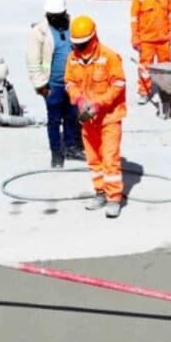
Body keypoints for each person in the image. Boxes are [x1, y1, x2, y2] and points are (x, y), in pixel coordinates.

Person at [65, 16, 127, 219]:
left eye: (83, 44)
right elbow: (70, 83)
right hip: (87, 119)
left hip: (109, 118)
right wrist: (79, 99)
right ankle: (100, 192)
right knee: (94, 159)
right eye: (77, 44)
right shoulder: (73, 58)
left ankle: (114, 198)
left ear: (93, 39)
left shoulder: (109, 57)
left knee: (110, 159)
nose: (80, 48)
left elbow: (118, 84)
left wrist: (99, 103)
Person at [26, 0, 84, 167]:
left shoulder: (73, 25)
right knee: (54, 120)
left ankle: (71, 146)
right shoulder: (39, 32)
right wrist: (41, 86)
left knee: (72, 116)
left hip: (72, 83)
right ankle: (56, 153)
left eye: (59, 15)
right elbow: (33, 61)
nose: (56, 19)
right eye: (53, 16)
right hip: (52, 85)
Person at [130, 0, 171, 104]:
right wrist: (135, 37)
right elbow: (134, 20)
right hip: (146, 41)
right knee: (145, 69)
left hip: (164, 40)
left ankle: (167, 92)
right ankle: (144, 91)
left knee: (166, 69)